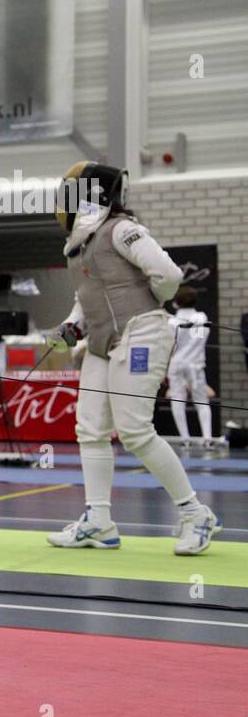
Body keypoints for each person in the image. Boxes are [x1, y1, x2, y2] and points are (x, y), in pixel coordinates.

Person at [47, 161, 221, 556]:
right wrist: (70, 326)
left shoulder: (122, 229)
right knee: (90, 429)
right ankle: (99, 522)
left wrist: (147, 304)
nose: (62, 202)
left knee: (135, 431)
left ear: (92, 195)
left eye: (69, 192)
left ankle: (196, 515)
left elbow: (169, 274)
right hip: (101, 342)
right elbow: (84, 297)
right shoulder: (79, 243)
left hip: (141, 334)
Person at [167, 286, 222, 449]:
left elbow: (170, 345)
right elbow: (200, 337)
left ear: (177, 303)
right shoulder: (201, 317)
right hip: (195, 364)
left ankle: (185, 438)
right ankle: (207, 438)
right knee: (201, 401)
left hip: (177, 365)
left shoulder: (171, 322)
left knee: (178, 399)